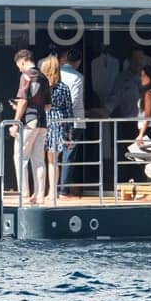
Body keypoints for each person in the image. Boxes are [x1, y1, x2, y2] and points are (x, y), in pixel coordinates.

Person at [7, 48, 48, 204]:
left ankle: (24, 194)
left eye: (19, 65)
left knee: (20, 157)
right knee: (38, 160)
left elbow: (23, 101)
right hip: (43, 122)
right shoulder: (43, 77)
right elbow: (47, 106)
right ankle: (39, 196)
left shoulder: (25, 76)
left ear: (23, 61)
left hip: (29, 121)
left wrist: (15, 123)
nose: (19, 69)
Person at [40, 54, 73, 205]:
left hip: (45, 121)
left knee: (44, 159)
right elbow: (68, 111)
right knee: (54, 160)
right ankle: (53, 191)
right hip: (58, 122)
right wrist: (69, 133)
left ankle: (47, 191)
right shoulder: (63, 87)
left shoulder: (42, 87)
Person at [58, 49, 86, 196]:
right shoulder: (78, 77)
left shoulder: (56, 73)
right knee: (68, 155)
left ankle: (51, 190)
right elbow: (74, 100)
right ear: (78, 62)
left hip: (56, 120)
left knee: (53, 154)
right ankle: (63, 190)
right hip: (74, 121)